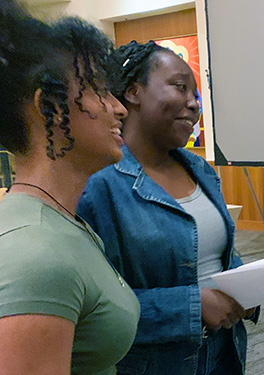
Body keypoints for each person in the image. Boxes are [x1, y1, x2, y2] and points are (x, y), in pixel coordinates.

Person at [77, 41, 258, 375]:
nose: (194, 104)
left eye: (196, 95)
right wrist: (192, 306)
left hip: (225, 352)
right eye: (180, 87)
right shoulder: (98, 184)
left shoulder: (200, 169)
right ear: (133, 92)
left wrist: (247, 286)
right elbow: (91, 310)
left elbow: (218, 254)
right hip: (154, 364)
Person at [0, 4, 139, 375]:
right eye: (97, 90)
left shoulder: (66, 224)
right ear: (48, 106)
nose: (118, 108)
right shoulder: (37, 254)